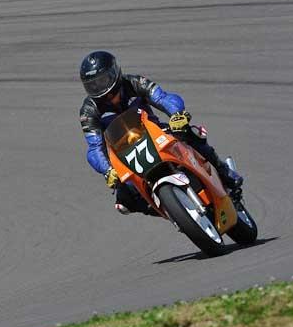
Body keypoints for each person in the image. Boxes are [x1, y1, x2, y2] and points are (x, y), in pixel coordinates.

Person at [78, 51, 243, 215]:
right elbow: (94, 147)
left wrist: (176, 115)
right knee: (124, 202)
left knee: (191, 133)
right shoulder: (89, 111)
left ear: (114, 73)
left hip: (156, 133)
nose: (99, 88)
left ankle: (225, 172)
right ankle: (172, 212)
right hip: (125, 153)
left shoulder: (134, 82)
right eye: (93, 85)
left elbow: (162, 98)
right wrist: (107, 170)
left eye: (102, 80)